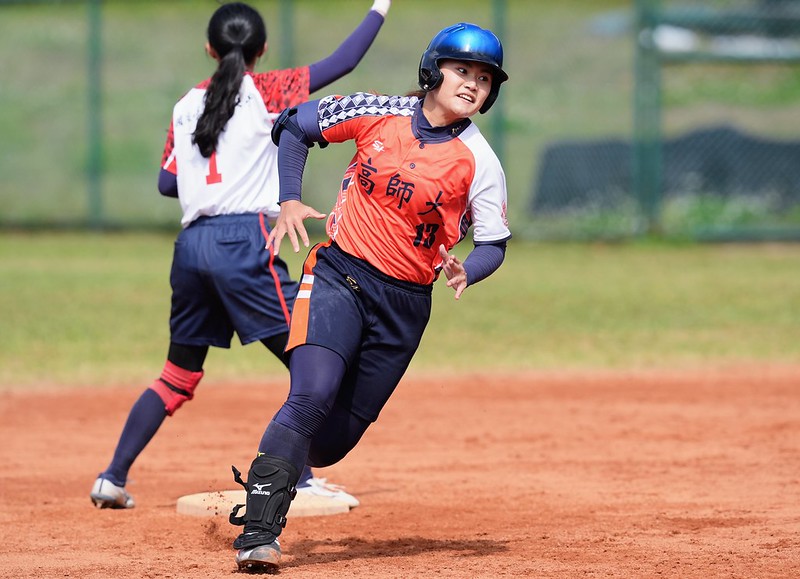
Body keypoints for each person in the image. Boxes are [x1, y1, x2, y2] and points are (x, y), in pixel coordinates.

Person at [229, 22, 511, 571]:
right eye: (462, 70)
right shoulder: (376, 110)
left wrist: (467, 271)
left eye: (484, 78)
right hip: (340, 273)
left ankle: (284, 456)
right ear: (433, 70)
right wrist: (289, 198)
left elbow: (495, 243)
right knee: (311, 395)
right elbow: (294, 126)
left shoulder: (481, 163)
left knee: (329, 443)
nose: (473, 84)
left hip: (404, 305)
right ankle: (259, 533)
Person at [90, 0, 393, 511]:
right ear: (263, 50)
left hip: (192, 246)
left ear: (209, 50)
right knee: (308, 355)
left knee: (177, 375)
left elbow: (169, 182)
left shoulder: (187, 104)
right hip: (244, 242)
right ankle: (298, 475)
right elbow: (343, 62)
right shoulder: (269, 89)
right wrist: (380, 7)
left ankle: (111, 477)